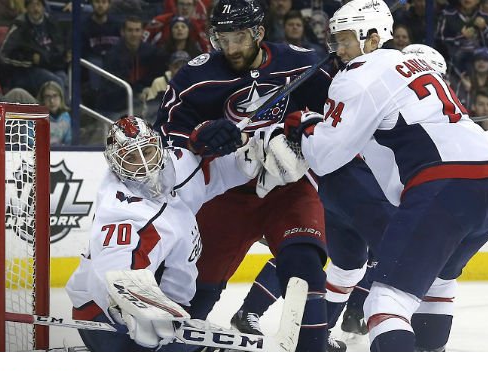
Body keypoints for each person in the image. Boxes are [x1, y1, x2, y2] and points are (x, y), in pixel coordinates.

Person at [286, 0, 488, 359]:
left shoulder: (358, 73)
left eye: (345, 39)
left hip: (444, 185)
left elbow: (326, 157)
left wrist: (307, 125)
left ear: (373, 37)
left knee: (384, 303)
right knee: (437, 281)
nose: (339, 50)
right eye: (335, 41)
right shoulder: (420, 63)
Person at [154, 0, 334, 351]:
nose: (231, 48)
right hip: (226, 194)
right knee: (193, 297)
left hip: (288, 187)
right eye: (223, 38)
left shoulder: (302, 63)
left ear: (258, 33)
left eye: (238, 38)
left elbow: (338, 110)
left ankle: (314, 352)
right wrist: (199, 135)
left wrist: (305, 127)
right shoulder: (195, 75)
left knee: (305, 266)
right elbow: (166, 131)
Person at [64, 116, 254, 351]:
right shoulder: (120, 210)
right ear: (116, 163)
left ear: (159, 147)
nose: (144, 163)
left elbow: (219, 173)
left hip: (168, 309)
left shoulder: (177, 166)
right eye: (131, 157)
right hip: (106, 319)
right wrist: (133, 306)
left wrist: (254, 155)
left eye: (148, 151)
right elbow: (115, 270)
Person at [37, 80, 71, 145]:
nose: (52, 101)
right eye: (47, 97)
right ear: (42, 100)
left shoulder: (66, 117)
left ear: (61, 97)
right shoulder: (36, 118)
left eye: (55, 96)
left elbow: (69, 142)